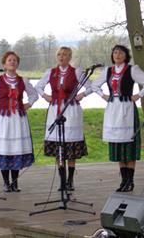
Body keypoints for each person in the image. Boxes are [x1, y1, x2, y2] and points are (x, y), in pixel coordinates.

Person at [91, 45, 144, 192]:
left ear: (126, 56)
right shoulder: (108, 71)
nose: (117, 55)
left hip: (127, 108)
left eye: (120, 52)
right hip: (113, 108)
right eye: (115, 52)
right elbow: (94, 85)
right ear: (112, 56)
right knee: (118, 143)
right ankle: (123, 180)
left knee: (128, 143)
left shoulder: (132, 70)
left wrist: (139, 95)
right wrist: (104, 96)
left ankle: (130, 181)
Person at [35, 47, 92, 191]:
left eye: (64, 55)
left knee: (70, 143)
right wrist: (46, 96)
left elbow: (92, 86)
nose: (61, 57)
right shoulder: (51, 72)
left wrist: (81, 95)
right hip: (55, 109)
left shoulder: (77, 72)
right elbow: (38, 86)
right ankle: (61, 181)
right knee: (58, 144)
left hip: (71, 109)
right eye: (59, 54)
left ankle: (70, 180)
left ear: (69, 57)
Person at [0, 51, 38, 192]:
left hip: (19, 119)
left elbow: (34, 95)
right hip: (4, 119)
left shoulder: (23, 80)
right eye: (9, 60)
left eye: (14, 60)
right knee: (5, 149)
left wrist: (28, 104)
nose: (12, 62)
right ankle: (6, 182)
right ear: (4, 64)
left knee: (16, 149)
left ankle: (15, 182)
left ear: (18, 64)